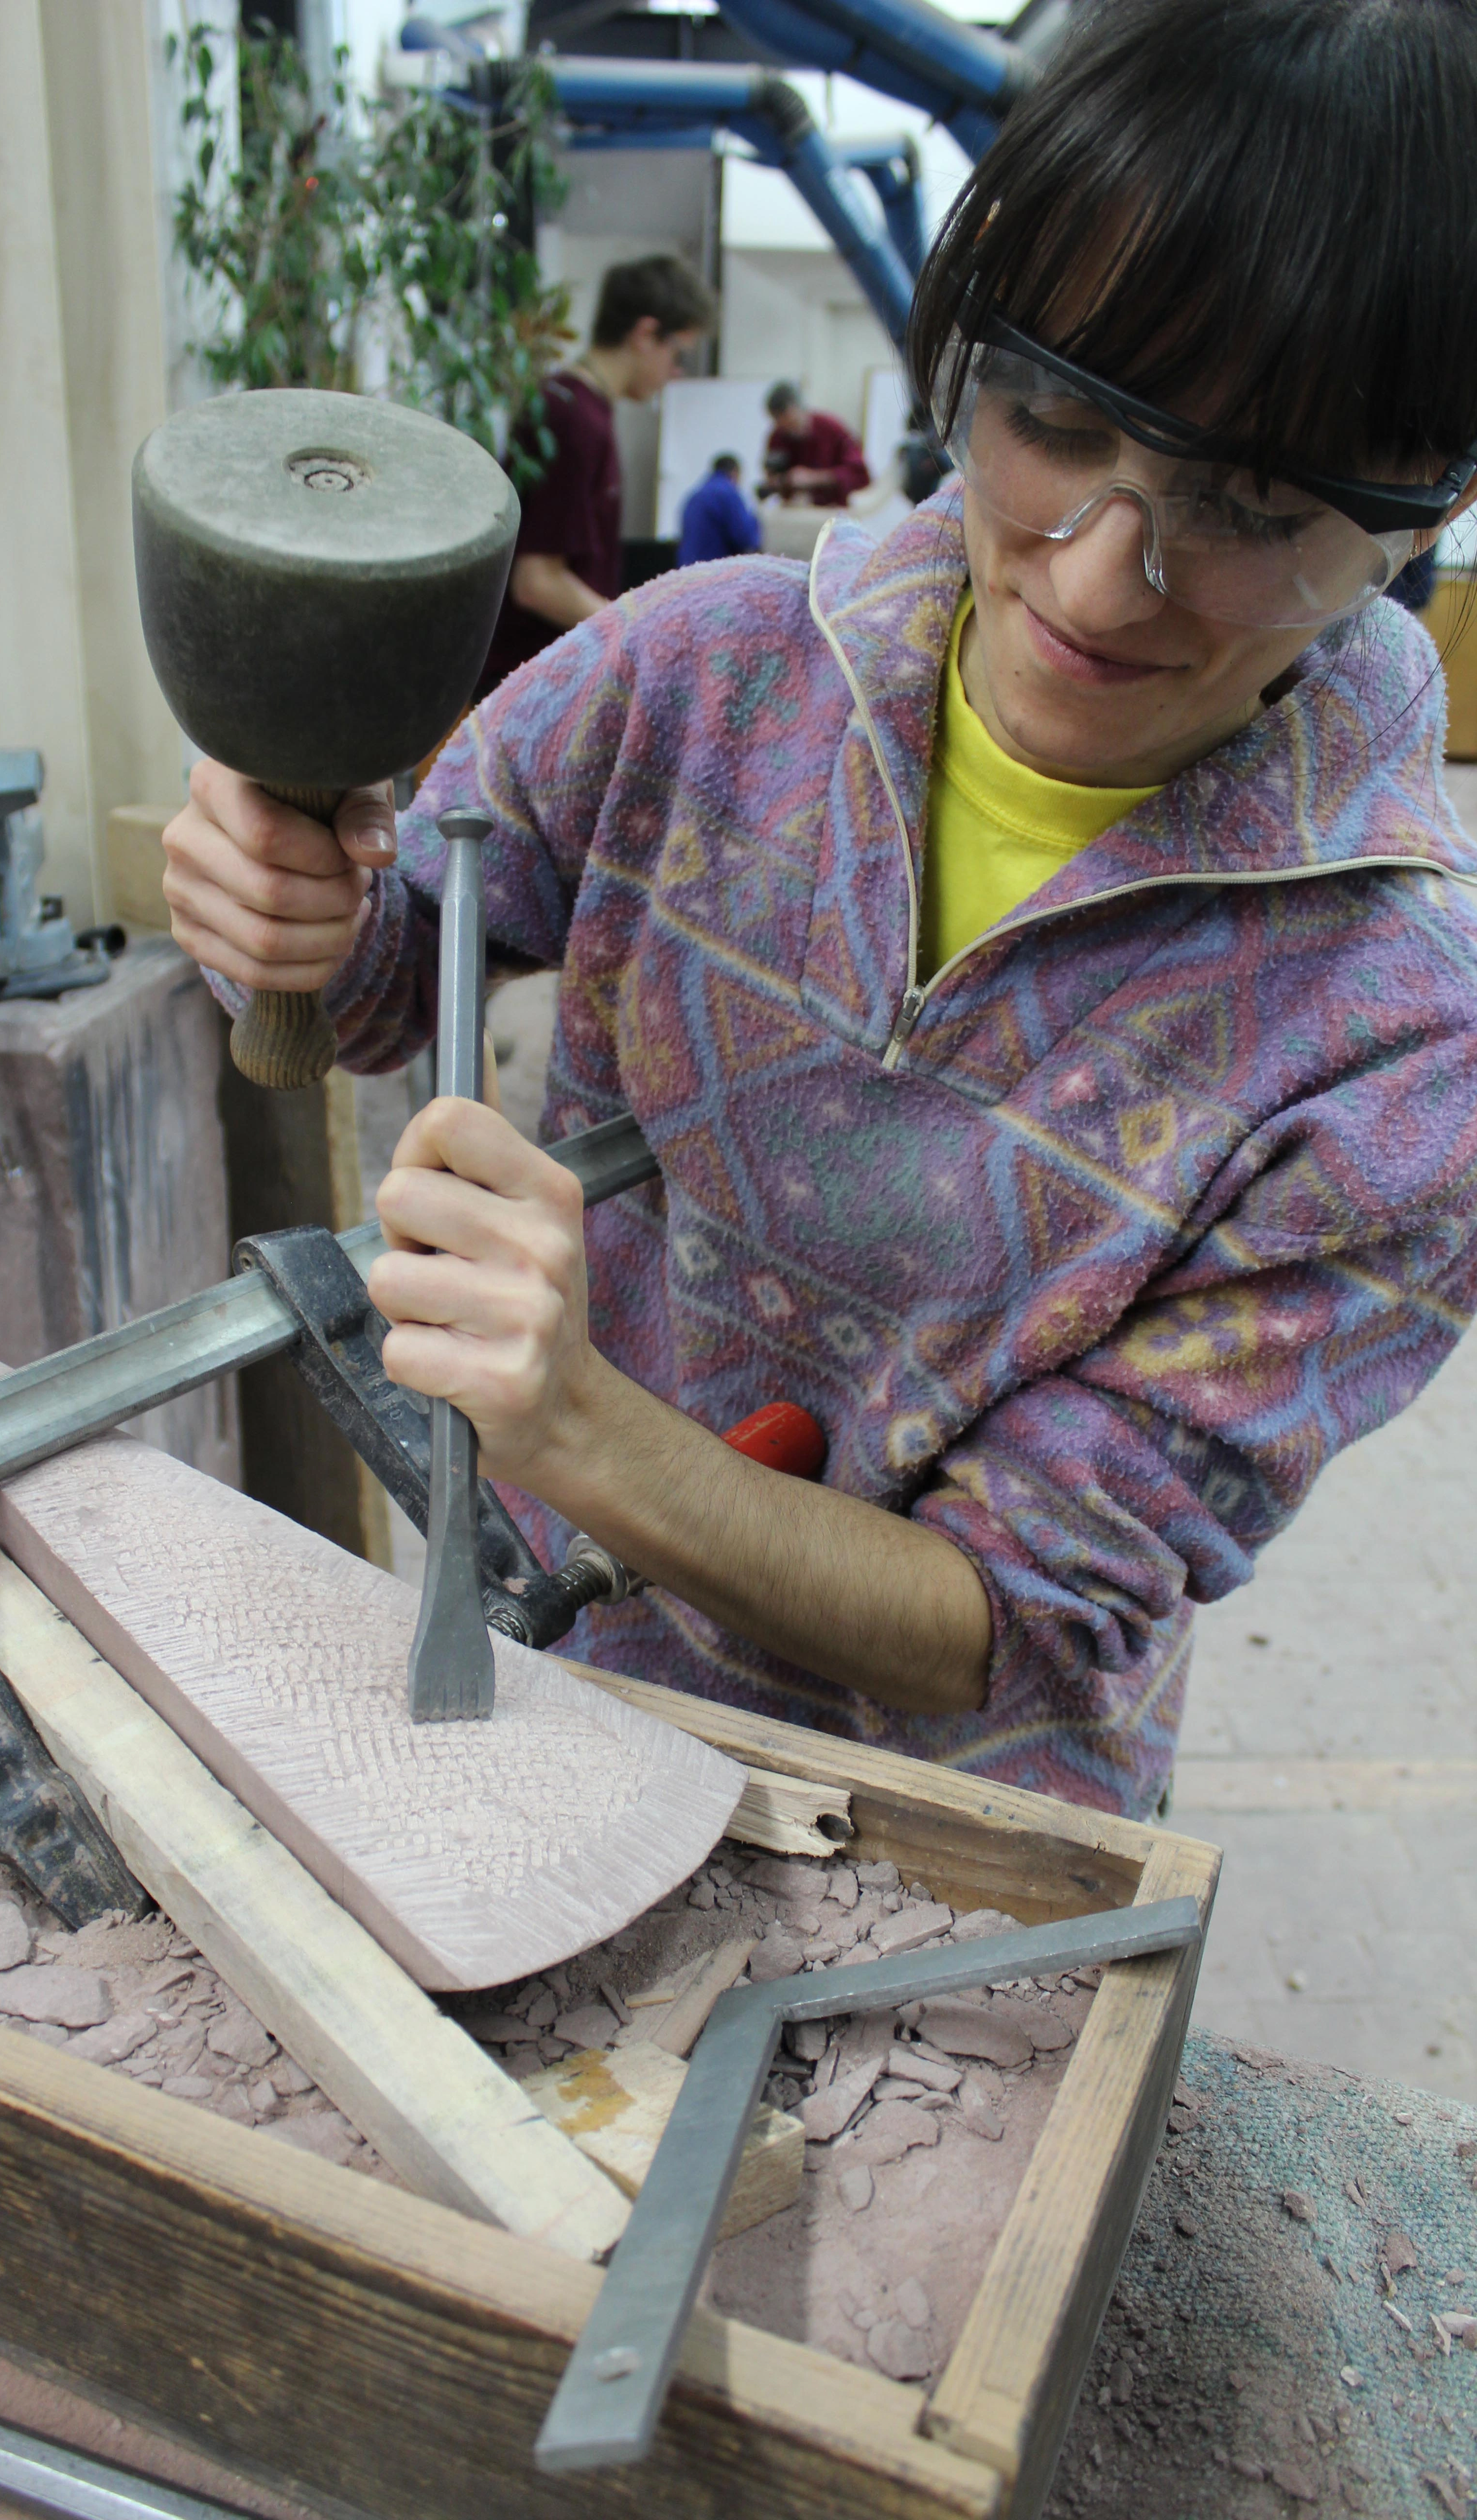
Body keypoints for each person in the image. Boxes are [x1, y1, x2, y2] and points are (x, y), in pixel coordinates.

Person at [163, 0, 1477, 1822]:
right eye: (1051, 421)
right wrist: (292, 888)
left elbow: (1025, 1617)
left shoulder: (1404, 1049)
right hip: (552, 1692)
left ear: (1416, 519)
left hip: (947, 1824)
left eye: (1247, 507)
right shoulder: (703, 673)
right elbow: (391, 971)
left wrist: (585, 1434)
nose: (1100, 573)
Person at [476, 255, 716, 696]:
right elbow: (537, 582)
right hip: (527, 690)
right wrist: (635, 632)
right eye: (677, 353)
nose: (676, 372)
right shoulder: (570, 416)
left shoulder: (586, 412)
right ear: (645, 334)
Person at [760, 382, 870, 507]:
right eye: (781, 423)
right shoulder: (778, 437)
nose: (788, 428)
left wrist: (814, 478)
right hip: (798, 515)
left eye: (791, 421)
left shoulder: (831, 429)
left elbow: (860, 476)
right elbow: (773, 480)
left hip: (834, 513)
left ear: (800, 408)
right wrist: (781, 482)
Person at [678, 454, 761, 566]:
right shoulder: (729, 494)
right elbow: (745, 538)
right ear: (735, 472)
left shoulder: (695, 496)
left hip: (689, 568)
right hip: (715, 570)